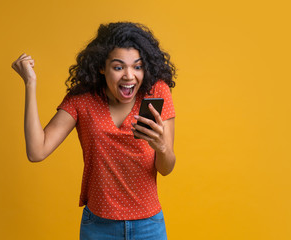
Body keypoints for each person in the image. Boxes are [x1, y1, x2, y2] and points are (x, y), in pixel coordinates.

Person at [12, 22, 176, 240]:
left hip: (149, 225)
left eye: (137, 66)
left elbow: (166, 168)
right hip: (99, 227)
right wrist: (30, 83)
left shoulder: (157, 92)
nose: (129, 75)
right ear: (102, 67)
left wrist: (162, 147)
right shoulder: (83, 99)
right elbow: (36, 151)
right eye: (118, 67)